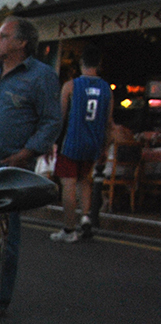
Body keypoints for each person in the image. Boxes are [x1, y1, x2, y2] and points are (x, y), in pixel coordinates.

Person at [0, 16, 62, 310]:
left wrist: (26, 153)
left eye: (3, 36)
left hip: (9, 166)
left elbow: (51, 121)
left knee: (5, 234)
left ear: (22, 42)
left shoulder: (41, 76)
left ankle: (0, 298)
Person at [50, 44, 112, 242]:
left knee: (68, 184)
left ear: (81, 62)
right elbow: (108, 123)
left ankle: (69, 229)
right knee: (85, 180)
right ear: (99, 64)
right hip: (93, 143)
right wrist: (105, 147)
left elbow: (60, 117)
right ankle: (85, 218)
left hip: (72, 142)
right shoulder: (107, 90)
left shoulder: (71, 86)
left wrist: (52, 141)